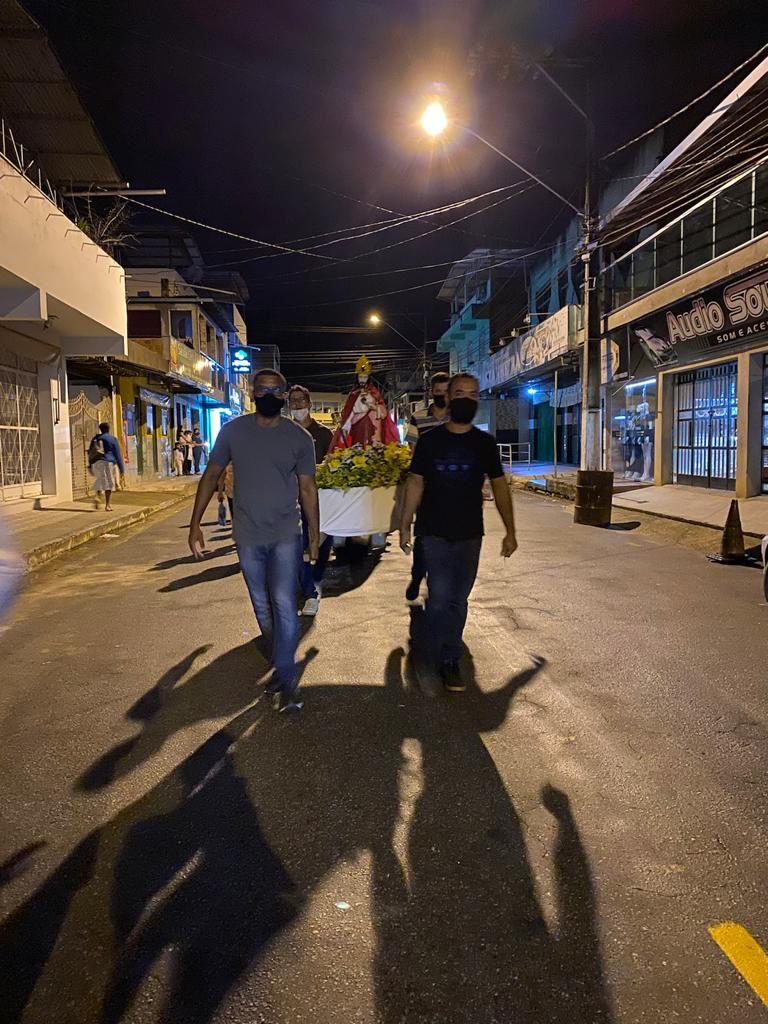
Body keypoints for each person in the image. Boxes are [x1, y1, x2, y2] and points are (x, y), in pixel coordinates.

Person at [188, 369, 319, 713]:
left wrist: (314, 535)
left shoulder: (300, 438)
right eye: (262, 390)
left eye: (276, 391)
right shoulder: (233, 432)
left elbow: (308, 489)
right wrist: (195, 524)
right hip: (247, 534)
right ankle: (281, 658)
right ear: (252, 393)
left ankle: (286, 678)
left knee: (283, 602)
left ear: (284, 395)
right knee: (261, 604)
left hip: (286, 533)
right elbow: (211, 474)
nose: (269, 396)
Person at [398, 373, 518, 694]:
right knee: (439, 599)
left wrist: (510, 531)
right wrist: (405, 524)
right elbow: (415, 482)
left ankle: (450, 655)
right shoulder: (430, 441)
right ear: (449, 398)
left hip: (469, 534)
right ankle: (443, 654)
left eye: (473, 394)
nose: (467, 399)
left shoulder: (485, 444)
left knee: (458, 599)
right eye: (460, 393)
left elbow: (500, 486)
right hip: (434, 532)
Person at [403, 371, 451, 605]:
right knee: (424, 538)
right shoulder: (419, 417)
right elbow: (413, 452)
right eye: (438, 391)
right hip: (426, 487)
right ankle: (417, 575)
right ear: (432, 392)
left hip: (452, 488)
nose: (442, 395)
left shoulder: (458, 417)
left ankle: (438, 584)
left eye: (446, 391)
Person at [288, 385, 334, 617]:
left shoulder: (324, 434)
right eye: (293, 401)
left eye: (301, 400)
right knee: (300, 547)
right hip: (292, 502)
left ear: (309, 403)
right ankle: (309, 592)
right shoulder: (284, 433)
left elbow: (334, 464)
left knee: (319, 546)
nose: (297, 405)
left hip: (320, 502)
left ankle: (312, 585)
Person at [89, 422, 125, 512]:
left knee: (101, 479)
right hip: (108, 462)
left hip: (97, 463)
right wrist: (121, 469)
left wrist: (90, 464)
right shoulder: (112, 439)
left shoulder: (96, 438)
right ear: (108, 429)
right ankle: (107, 505)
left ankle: (98, 495)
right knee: (109, 483)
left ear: (100, 429)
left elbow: (91, 452)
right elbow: (118, 454)